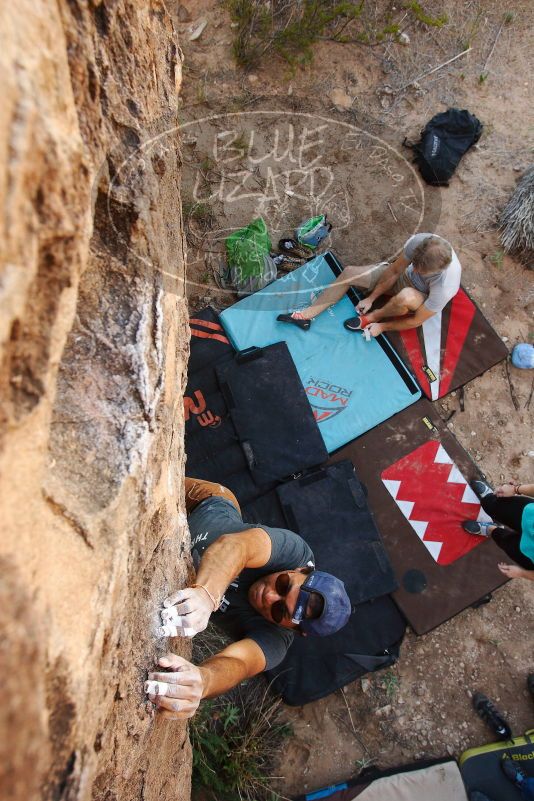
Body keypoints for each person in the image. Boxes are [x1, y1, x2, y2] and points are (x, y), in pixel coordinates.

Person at [145, 478, 351, 719]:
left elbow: (238, 663)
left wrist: (203, 681)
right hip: (200, 503)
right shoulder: (294, 551)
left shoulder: (275, 642)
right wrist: (206, 594)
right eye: (284, 584)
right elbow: (237, 546)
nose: (270, 595)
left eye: (280, 611)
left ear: (294, 630)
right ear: (300, 571)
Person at [277, 233, 461, 338]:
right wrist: (371, 298)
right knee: (349, 273)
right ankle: (305, 317)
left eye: (423, 272)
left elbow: (417, 320)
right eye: (416, 265)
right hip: (400, 279)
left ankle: (372, 318)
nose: (417, 272)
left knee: (406, 296)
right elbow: (395, 271)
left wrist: (382, 327)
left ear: (439, 270)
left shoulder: (446, 285)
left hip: (418, 296)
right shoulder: (420, 242)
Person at [463, 480, 534, 582]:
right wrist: (516, 489)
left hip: (529, 554)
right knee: (493, 505)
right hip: (529, 515)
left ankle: (490, 530)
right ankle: (490, 498)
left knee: (504, 540)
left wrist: (521, 573)